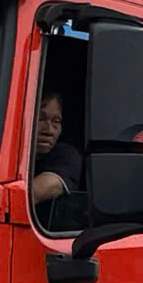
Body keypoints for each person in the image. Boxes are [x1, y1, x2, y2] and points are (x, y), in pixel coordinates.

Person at [29, 91, 83, 229]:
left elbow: (31, 194)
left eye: (56, 121)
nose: (49, 130)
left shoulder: (66, 156)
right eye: (40, 118)